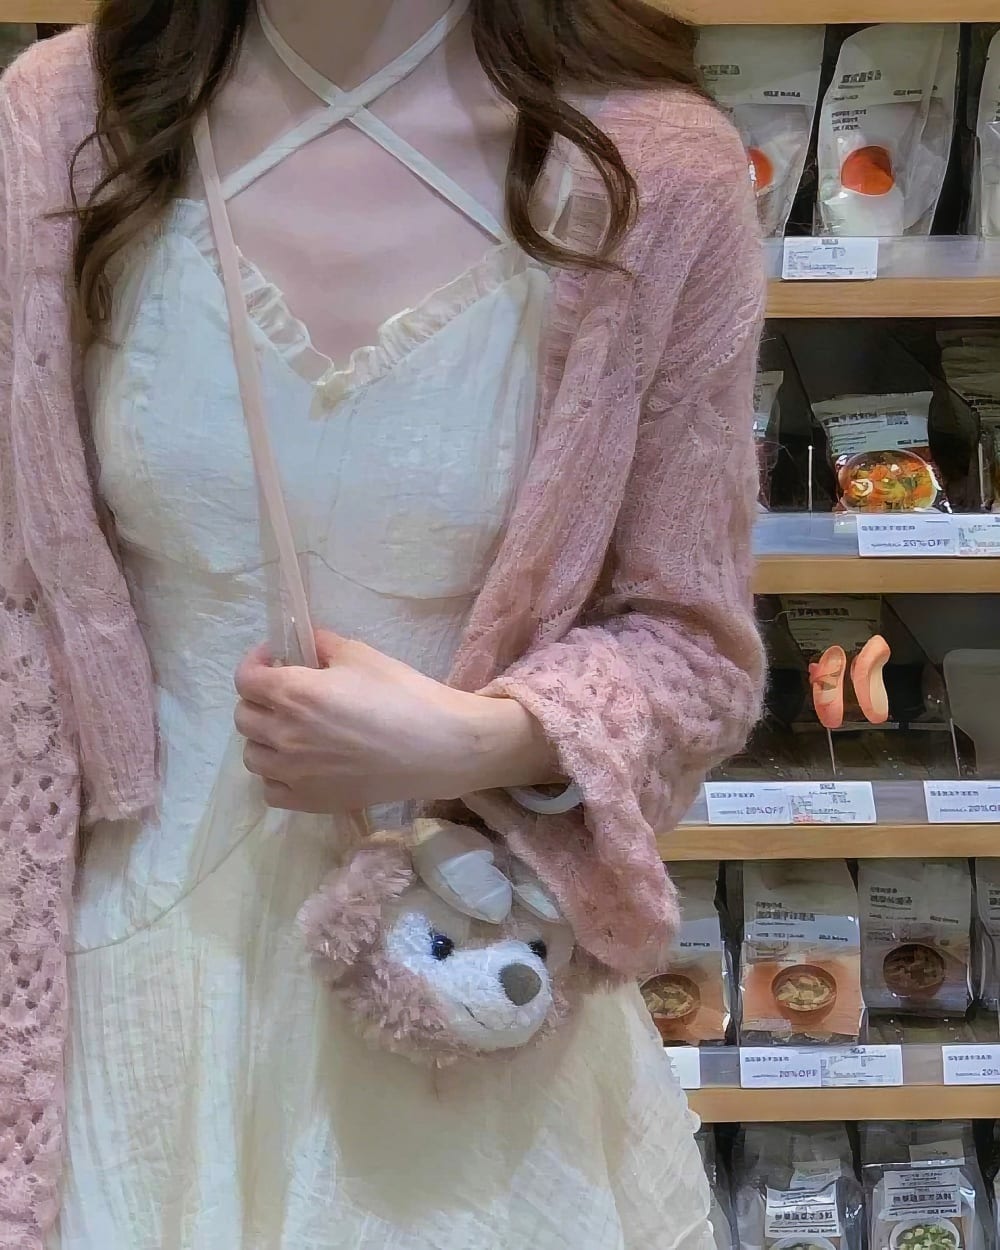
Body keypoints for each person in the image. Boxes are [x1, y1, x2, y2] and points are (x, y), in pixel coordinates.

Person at [0, 1, 765, 1246]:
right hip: (123, 974)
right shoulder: (63, 120)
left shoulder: (655, 171)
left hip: (455, 969)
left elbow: (693, 642)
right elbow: (20, 587)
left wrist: (475, 737)